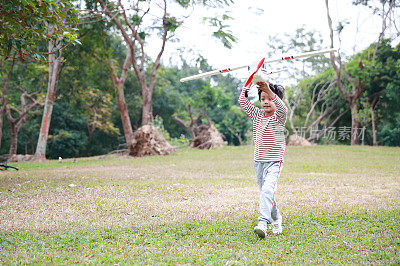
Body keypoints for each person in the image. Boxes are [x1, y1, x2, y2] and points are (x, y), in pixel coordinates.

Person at [238, 73, 287, 238]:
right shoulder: (257, 115)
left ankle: (262, 223)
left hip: (274, 162)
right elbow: (242, 101)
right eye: (263, 98)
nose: (266, 101)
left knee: (267, 191)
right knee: (266, 194)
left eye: (270, 99)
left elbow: (283, 108)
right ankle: (276, 218)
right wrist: (250, 82)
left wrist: (268, 89)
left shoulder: (279, 117)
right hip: (259, 163)